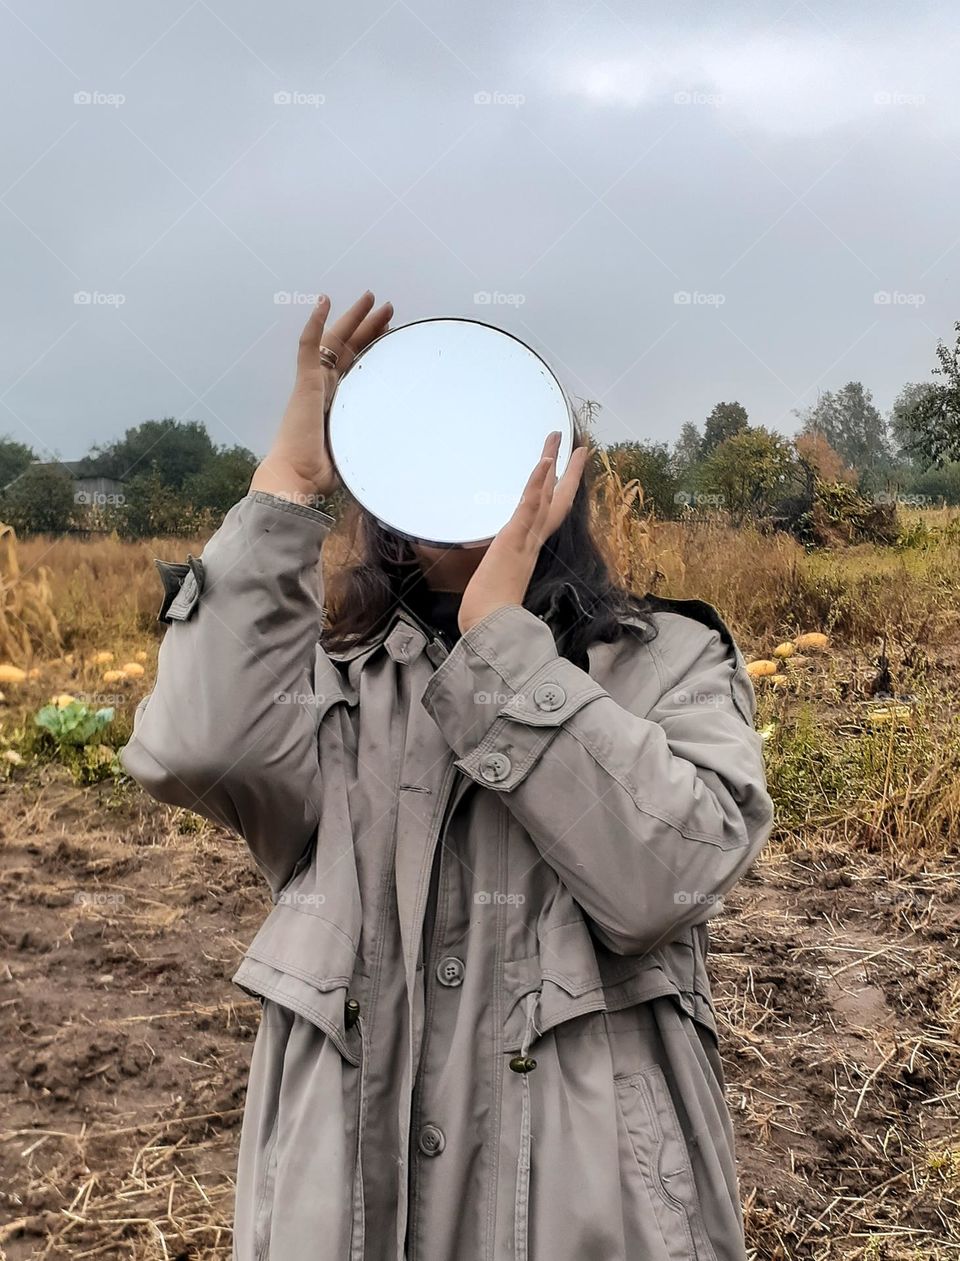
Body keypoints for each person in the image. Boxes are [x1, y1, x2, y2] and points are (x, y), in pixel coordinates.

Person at [121, 291, 775, 1261]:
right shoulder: (336, 677)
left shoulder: (665, 661)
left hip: (592, 1219)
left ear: (561, 474)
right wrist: (291, 480)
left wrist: (503, 650)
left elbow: (661, 878)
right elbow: (191, 746)